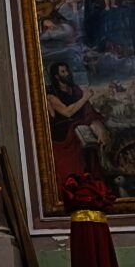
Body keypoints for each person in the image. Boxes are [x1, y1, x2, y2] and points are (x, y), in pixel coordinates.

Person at [46, 61, 109, 189]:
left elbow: (88, 112)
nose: (67, 74)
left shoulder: (75, 90)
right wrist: (84, 98)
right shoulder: (51, 95)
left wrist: (99, 128)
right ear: (56, 76)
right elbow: (67, 112)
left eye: (67, 70)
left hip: (81, 130)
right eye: (63, 72)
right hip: (64, 136)